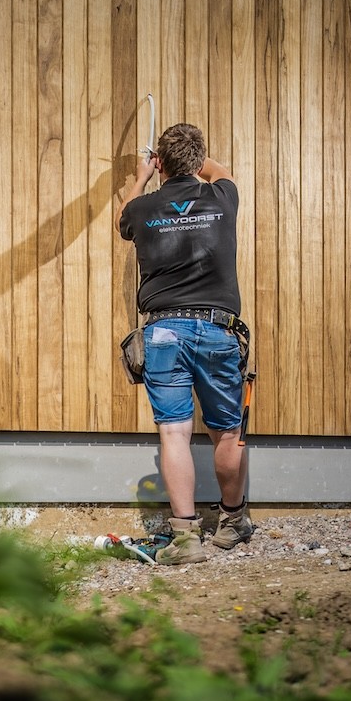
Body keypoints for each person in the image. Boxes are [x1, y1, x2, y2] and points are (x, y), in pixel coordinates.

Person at [117, 122, 252, 565]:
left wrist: (143, 174)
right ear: (197, 161)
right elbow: (220, 170)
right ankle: (232, 524)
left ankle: (185, 539)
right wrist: (192, 161)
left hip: (164, 332)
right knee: (226, 431)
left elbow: (125, 213)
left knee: (174, 432)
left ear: (160, 164)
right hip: (216, 329)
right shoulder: (221, 198)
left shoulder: (142, 209)